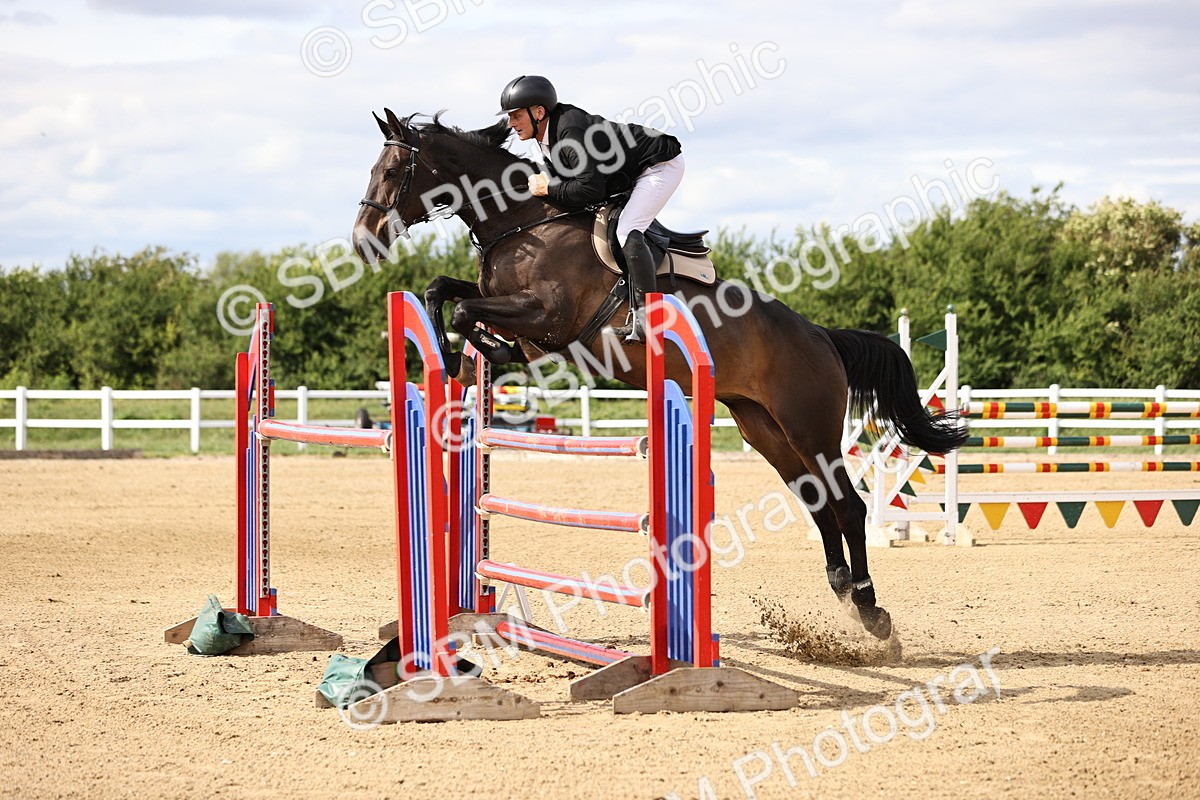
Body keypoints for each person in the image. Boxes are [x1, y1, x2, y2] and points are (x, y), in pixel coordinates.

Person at [498, 75, 684, 343]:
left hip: (658, 166)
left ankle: (647, 320)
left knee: (627, 230)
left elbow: (589, 190)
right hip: (623, 175)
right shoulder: (544, 136)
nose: (511, 124)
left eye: (516, 116)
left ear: (538, 112)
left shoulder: (569, 132)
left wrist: (547, 188)